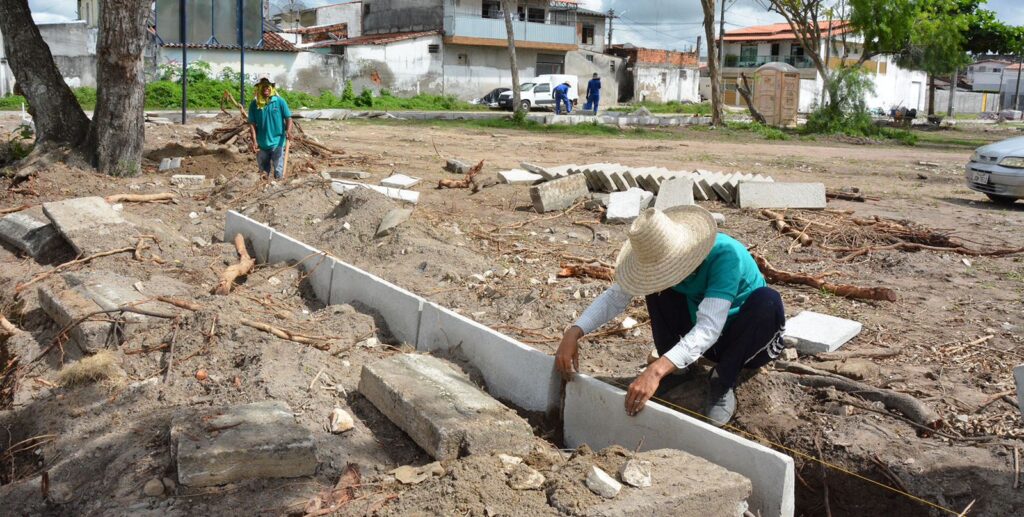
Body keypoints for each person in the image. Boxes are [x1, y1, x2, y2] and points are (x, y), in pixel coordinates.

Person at [554, 206, 785, 426]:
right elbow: (616, 297)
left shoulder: (725, 256)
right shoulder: (658, 262)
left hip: (744, 342)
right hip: (704, 340)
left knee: (768, 301)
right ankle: (679, 371)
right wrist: (574, 332)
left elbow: (710, 327)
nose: (664, 272)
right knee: (656, 289)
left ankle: (722, 380)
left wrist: (655, 371)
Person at [248, 77, 293, 180]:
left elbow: (289, 118)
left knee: (278, 170)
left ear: (272, 87)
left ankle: (278, 188)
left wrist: (289, 131)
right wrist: (254, 141)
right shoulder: (254, 105)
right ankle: (264, 189)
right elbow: (252, 124)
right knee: (263, 172)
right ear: (258, 88)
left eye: (268, 86)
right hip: (261, 143)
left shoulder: (280, 102)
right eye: (262, 86)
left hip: (277, 142)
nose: (265, 89)